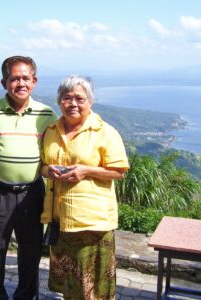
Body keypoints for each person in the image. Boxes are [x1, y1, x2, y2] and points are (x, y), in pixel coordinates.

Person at [0, 55, 57, 300]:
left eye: (25, 78)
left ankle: (25, 296)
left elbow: (53, 153)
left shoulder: (46, 114)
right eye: (14, 78)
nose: (20, 83)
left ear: (35, 81)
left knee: (31, 250)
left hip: (32, 193)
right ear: (3, 82)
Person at [40, 75, 129, 300]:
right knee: (70, 283)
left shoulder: (105, 132)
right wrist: (47, 170)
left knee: (92, 286)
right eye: (67, 98)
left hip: (91, 222)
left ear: (90, 101)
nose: (73, 103)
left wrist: (86, 171)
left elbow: (118, 171)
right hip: (59, 218)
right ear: (59, 101)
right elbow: (42, 165)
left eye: (79, 98)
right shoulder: (51, 131)